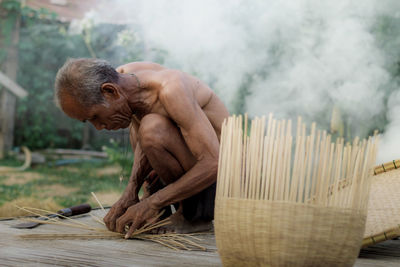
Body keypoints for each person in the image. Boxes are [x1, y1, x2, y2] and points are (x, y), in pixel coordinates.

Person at [54, 58, 229, 238]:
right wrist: (131, 191)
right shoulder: (126, 79)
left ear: (110, 91)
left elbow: (214, 163)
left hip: (222, 180)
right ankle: (163, 210)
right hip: (195, 169)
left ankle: (195, 216)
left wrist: (152, 203)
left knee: (153, 128)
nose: (98, 127)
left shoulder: (171, 90)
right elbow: (143, 143)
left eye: (95, 117)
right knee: (148, 127)